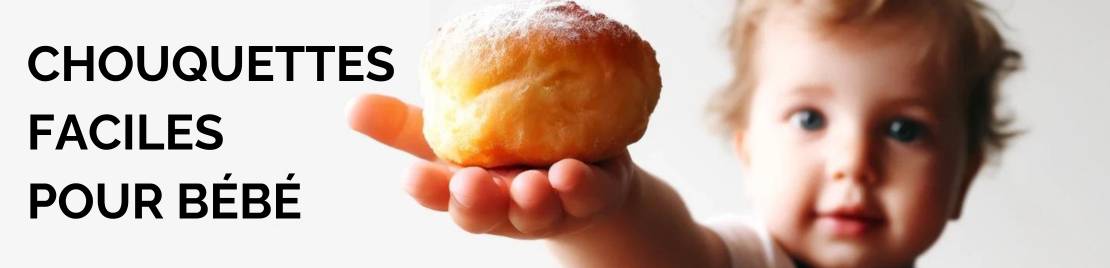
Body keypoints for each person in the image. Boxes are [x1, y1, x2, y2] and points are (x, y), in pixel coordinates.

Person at [348, 0, 1018, 266]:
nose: (854, 161)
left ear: (963, 176)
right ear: (746, 148)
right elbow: (662, 249)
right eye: (810, 118)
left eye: (905, 129)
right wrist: (605, 212)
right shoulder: (750, 260)